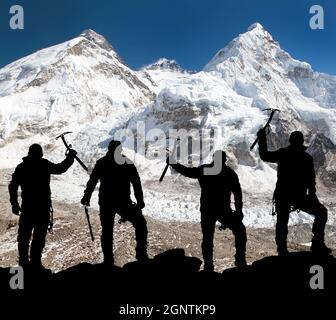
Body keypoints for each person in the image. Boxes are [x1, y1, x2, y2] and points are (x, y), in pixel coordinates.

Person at [167, 150, 247, 271]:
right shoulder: (229, 173)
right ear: (224, 160)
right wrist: (239, 211)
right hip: (224, 211)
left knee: (207, 239)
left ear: (214, 159)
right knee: (240, 231)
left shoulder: (206, 170)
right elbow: (237, 194)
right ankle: (240, 260)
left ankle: (209, 266)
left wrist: (172, 163)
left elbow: (187, 171)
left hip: (208, 210)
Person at [257, 129, 331, 255]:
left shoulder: (283, 153)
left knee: (282, 222)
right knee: (321, 212)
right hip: (299, 196)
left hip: (283, 195)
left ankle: (282, 249)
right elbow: (311, 180)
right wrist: (312, 195)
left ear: (290, 141)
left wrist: (262, 139)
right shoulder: (307, 158)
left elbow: (265, 155)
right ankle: (317, 244)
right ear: (302, 142)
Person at [8, 144, 77, 270]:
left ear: (29, 153)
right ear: (40, 154)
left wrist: (14, 203)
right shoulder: (44, 165)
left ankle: (24, 263)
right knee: (39, 238)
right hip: (42, 209)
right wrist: (70, 157)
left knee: (24, 237)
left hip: (28, 209)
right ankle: (36, 264)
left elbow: (12, 185)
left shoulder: (22, 167)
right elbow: (60, 168)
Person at [81, 140, 148, 265]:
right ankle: (141, 254)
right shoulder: (127, 162)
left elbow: (93, 181)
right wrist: (140, 201)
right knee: (140, 224)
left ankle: (108, 260)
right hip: (124, 202)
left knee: (107, 231)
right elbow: (136, 183)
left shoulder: (102, 163)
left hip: (107, 202)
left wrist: (86, 197)